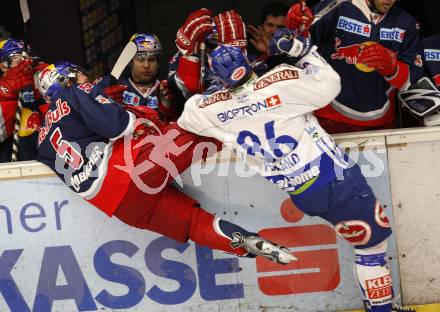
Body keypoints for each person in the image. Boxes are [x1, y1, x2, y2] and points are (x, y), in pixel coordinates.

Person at [177, 28, 414, 311]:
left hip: (302, 194)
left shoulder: (210, 109)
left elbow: (188, 115)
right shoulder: (279, 84)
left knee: (366, 244)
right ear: (248, 61)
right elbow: (330, 85)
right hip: (336, 183)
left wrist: (216, 91)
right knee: (371, 247)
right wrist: (303, 51)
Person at [36, 61, 297, 265]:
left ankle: (247, 243)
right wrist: (102, 99)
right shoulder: (76, 92)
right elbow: (120, 126)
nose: (88, 79)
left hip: (121, 207)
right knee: (200, 123)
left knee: (195, 224)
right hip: (135, 168)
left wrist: (103, 100)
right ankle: (271, 128)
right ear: (68, 80)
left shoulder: (42, 140)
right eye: (81, 76)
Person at [286, 0, 423, 133]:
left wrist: (392, 68)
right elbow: (299, 50)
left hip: (381, 124)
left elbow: (412, 82)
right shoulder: (334, 6)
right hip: (328, 118)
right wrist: (296, 27)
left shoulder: (407, 23)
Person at [95, 33, 177, 121]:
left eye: (151, 60)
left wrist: (167, 109)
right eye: (140, 59)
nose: (146, 65)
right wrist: (104, 103)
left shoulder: (168, 90)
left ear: (158, 64)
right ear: (130, 62)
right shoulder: (110, 83)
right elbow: (83, 106)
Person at [0, 38, 48, 162]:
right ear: (3, 66)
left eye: (27, 59)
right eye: (17, 60)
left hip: (48, 165)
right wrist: (6, 95)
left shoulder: (37, 80)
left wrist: (48, 80)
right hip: (12, 171)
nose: (24, 63)